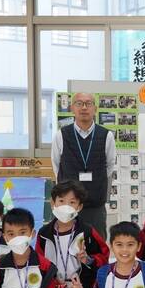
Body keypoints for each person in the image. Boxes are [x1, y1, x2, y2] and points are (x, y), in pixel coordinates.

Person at [36, 180, 110, 288]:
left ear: (79, 207)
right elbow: (38, 260)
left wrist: (89, 259)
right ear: (53, 203)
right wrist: (49, 280)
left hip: (79, 284)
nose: (66, 206)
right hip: (55, 285)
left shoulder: (87, 231)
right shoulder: (44, 233)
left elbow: (105, 256)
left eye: (72, 202)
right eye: (61, 201)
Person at [51, 92, 117, 238]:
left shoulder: (107, 135)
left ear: (95, 109)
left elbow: (110, 166)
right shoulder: (61, 135)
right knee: (66, 245)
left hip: (95, 205)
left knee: (96, 247)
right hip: (67, 206)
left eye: (88, 103)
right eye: (79, 103)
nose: (84, 108)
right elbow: (56, 166)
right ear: (72, 108)